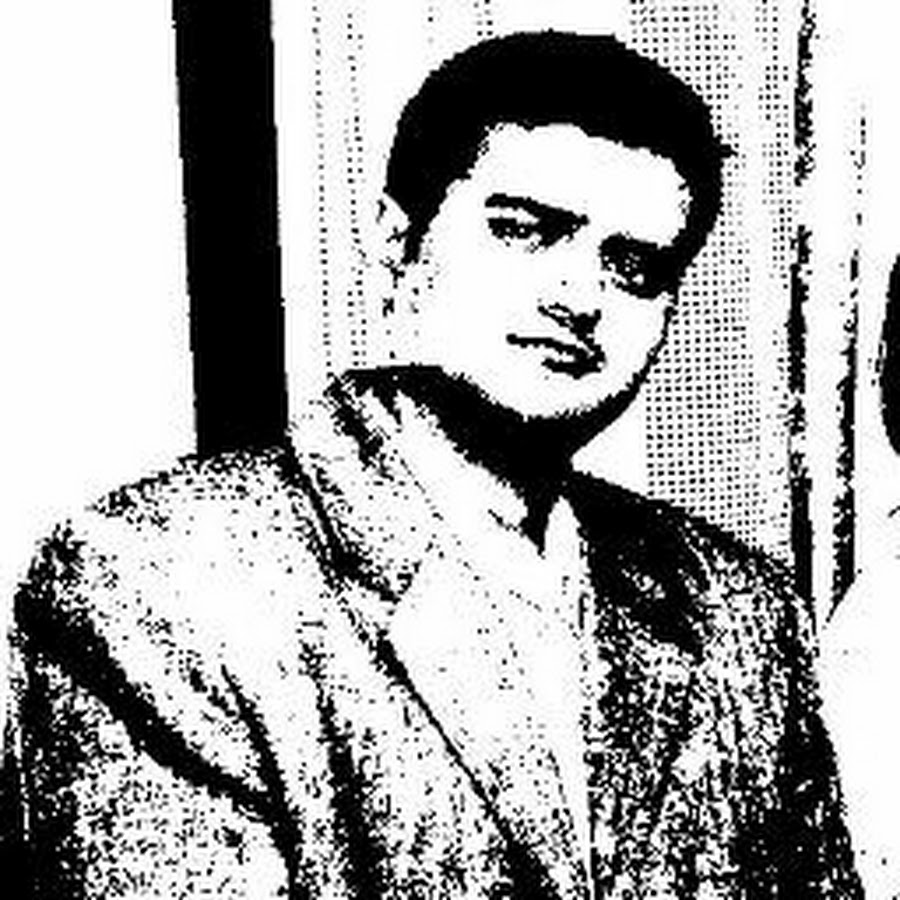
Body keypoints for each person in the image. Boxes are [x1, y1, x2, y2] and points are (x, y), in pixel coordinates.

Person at [3, 31, 860, 898]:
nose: (580, 298)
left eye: (635, 268)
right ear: (397, 241)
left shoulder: (740, 608)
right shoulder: (161, 580)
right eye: (523, 232)